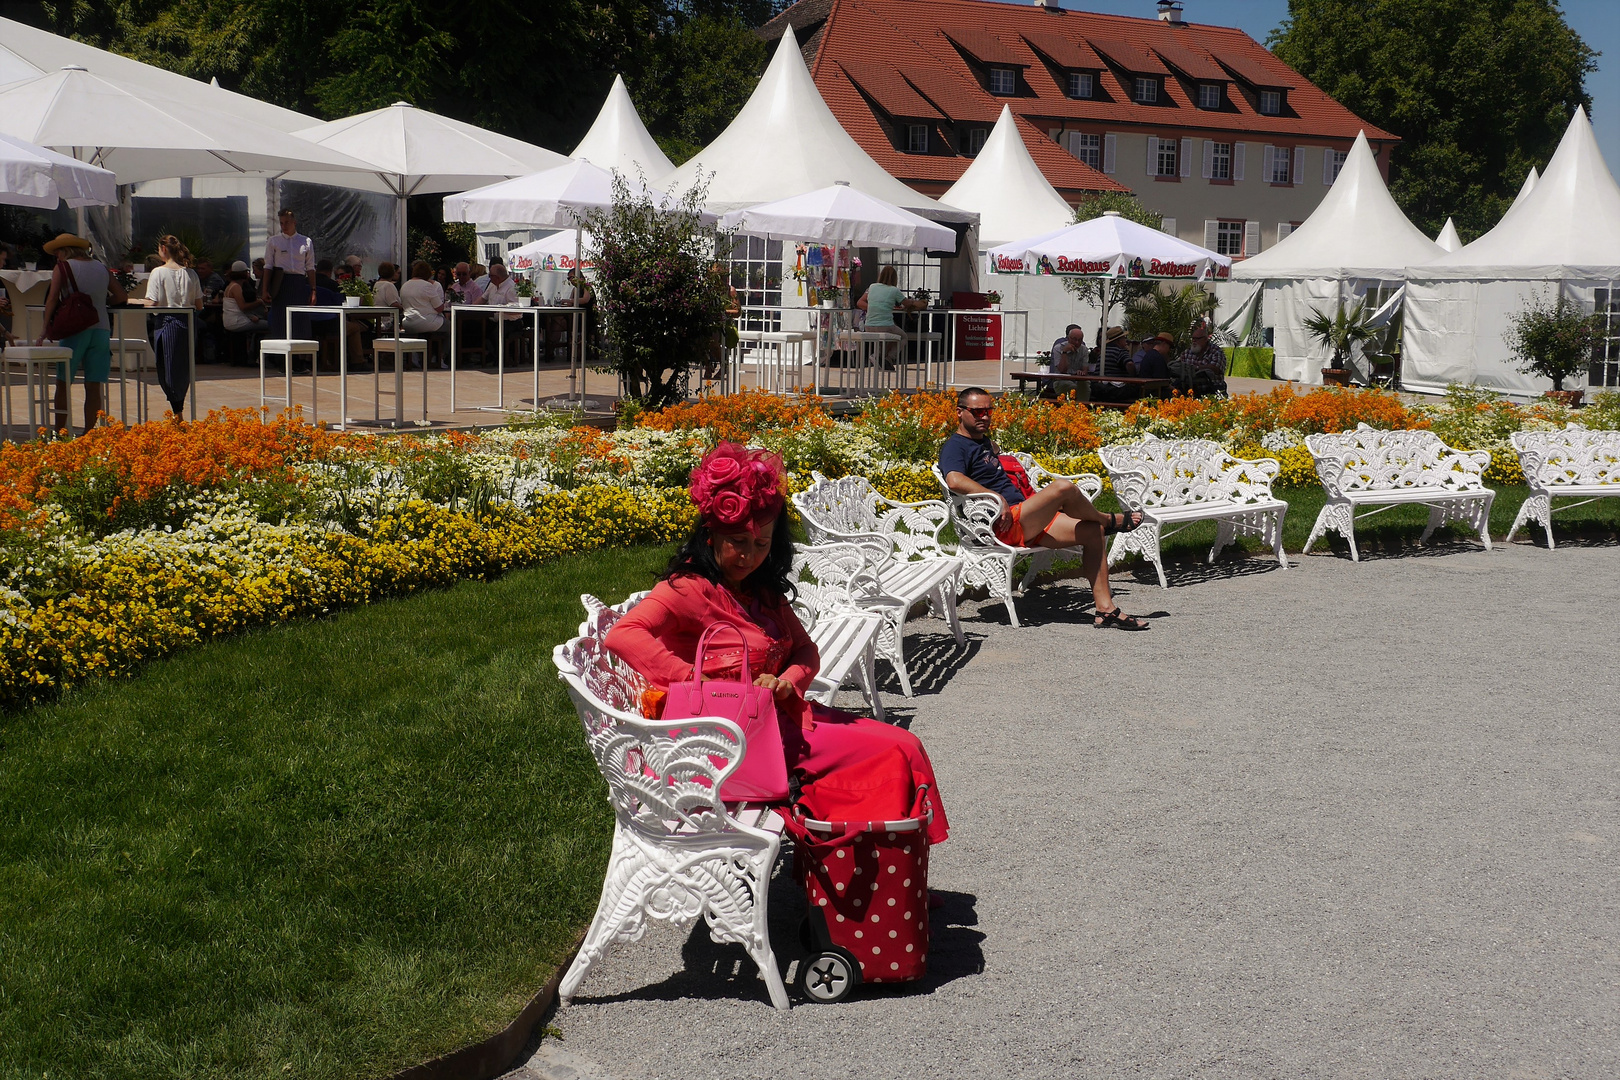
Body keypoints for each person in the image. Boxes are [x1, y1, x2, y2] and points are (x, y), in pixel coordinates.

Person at [603, 443, 950, 845]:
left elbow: (806, 652)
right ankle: (876, 880)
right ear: (710, 535)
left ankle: (880, 875)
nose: (749, 556)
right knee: (895, 749)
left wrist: (787, 681)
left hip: (776, 720)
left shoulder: (759, 590)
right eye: (738, 541)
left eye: (762, 544)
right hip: (731, 742)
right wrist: (693, 681)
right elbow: (622, 634)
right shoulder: (688, 588)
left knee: (901, 747)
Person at [939, 387, 1149, 630]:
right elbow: (954, 479)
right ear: (959, 412)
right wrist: (996, 497)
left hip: (1027, 518)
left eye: (988, 411)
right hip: (1003, 525)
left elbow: (993, 460)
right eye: (977, 412)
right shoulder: (956, 446)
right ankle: (1108, 519)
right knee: (1062, 488)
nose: (984, 417)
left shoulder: (984, 442)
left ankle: (1106, 610)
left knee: (1093, 533)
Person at [35, 233, 127, 434]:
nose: (57, 256)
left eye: (57, 252)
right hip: (101, 327)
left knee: (63, 381)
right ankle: (90, 434)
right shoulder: (101, 268)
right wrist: (99, 305)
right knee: (94, 385)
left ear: (64, 251)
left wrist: (44, 328)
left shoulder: (64, 267)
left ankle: (61, 432)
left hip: (74, 329)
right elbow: (121, 295)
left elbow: (51, 299)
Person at [131, 234, 202, 416]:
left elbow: (151, 302)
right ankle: (179, 408)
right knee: (183, 367)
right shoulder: (191, 273)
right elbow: (199, 304)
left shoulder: (158, 272)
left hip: (167, 322)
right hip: (188, 321)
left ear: (163, 249)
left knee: (167, 366)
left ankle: (177, 410)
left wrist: (132, 300)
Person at [856, 265, 924, 362]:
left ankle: (877, 356)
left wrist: (874, 307)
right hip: (885, 325)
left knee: (886, 335)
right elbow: (907, 303)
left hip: (869, 325)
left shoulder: (871, 287)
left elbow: (859, 302)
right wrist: (914, 302)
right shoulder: (894, 290)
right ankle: (889, 357)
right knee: (902, 336)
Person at [264, 208, 315, 337]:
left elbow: (310, 267)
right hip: (280, 283)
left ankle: (300, 355)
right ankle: (280, 356)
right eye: (281, 223)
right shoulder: (274, 241)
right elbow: (268, 266)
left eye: (287, 222)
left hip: (298, 283)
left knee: (300, 320)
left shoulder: (306, 241)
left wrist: (313, 290)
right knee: (280, 320)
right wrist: (264, 289)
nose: (284, 226)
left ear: (294, 223)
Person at [400, 259, 449, 368]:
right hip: (427, 322)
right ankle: (440, 357)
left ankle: (415, 355)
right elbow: (440, 308)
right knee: (450, 327)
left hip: (408, 322)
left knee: (424, 331)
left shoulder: (405, 285)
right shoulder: (427, 286)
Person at [221, 260, 270, 350]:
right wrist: (259, 302)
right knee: (270, 325)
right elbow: (243, 306)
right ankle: (260, 354)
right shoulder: (236, 287)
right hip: (237, 322)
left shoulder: (230, 286)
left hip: (230, 321)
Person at [1173, 321, 1229, 396]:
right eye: (1193, 338)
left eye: (1197, 339)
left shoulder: (1216, 351)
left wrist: (1195, 368)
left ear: (1205, 339)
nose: (1194, 341)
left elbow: (1215, 368)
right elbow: (1179, 365)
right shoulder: (1187, 352)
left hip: (1212, 389)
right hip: (1191, 390)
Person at [1091, 325, 1135, 403]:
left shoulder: (1102, 353)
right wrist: (1133, 374)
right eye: (1124, 338)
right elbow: (1130, 364)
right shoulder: (1120, 352)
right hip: (1116, 390)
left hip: (1099, 388)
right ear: (1118, 341)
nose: (1126, 340)